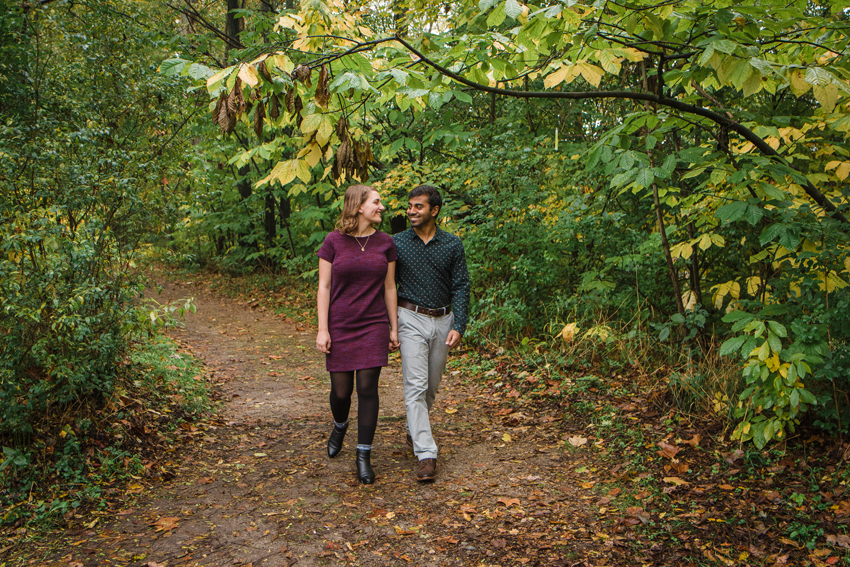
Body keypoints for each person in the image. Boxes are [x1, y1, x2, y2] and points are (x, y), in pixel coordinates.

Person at [316, 184, 399, 484]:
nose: (382, 207)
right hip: (340, 323)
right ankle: (340, 425)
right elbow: (324, 287)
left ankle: (363, 454)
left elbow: (390, 287)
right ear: (359, 206)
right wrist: (323, 329)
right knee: (341, 392)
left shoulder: (386, 242)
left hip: (373, 323)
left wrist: (394, 328)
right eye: (377, 202)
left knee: (367, 388)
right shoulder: (333, 242)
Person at [393, 185, 470, 482]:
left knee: (430, 388)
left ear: (434, 211)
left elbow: (461, 285)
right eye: (409, 206)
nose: (411, 211)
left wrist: (458, 325)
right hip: (409, 317)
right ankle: (427, 454)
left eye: (418, 207)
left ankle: (414, 429)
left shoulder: (452, 244)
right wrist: (390, 325)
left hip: (442, 320)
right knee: (415, 385)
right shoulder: (397, 243)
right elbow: (388, 286)